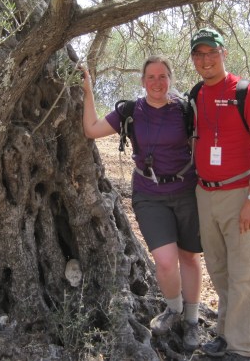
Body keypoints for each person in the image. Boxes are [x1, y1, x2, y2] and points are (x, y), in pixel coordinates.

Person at [81, 55, 203, 350]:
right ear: (142, 81)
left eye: (162, 76)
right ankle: (173, 309)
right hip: (149, 195)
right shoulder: (131, 111)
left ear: (170, 79)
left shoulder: (185, 110)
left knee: (189, 257)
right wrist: (87, 91)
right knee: (165, 261)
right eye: (151, 77)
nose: (157, 82)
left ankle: (192, 320)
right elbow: (91, 130)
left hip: (186, 191)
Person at [189, 28, 250, 361]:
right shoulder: (196, 94)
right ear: (193, 59)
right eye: (199, 54)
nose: (206, 60)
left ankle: (241, 348)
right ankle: (225, 334)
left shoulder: (247, 92)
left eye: (212, 52)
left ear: (224, 53)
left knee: (242, 274)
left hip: (240, 193)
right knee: (219, 269)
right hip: (205, 194)